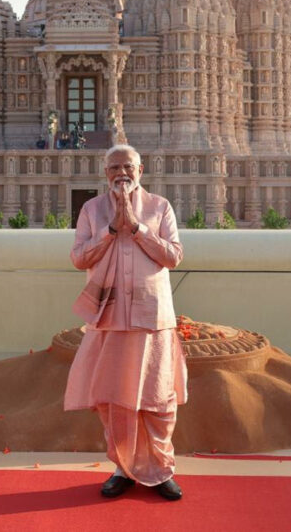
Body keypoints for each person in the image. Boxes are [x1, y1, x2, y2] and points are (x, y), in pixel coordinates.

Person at [64, 144, 186, 501]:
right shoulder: (91, 210)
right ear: (106, 174)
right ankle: (123, 468)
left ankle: (161, 470)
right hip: (110, 316)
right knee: (114, 400)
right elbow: (77, 258)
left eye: (128, 167)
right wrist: (109, 231)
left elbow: (174, 256)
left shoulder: (160, 207)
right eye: (114, 167)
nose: (122, 173)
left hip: (153, 315)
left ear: (140, 169)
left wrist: (135, 228)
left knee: (158, 398)